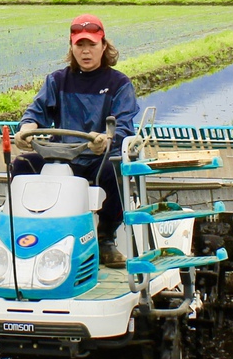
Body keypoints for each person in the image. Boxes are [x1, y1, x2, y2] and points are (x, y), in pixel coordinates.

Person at [13, 14, 139, 267]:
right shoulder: (57, 80)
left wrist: (106, 139)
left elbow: (124, 127)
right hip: (61, 155)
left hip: (97, 156)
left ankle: (105, 238)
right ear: (71, 47)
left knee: (114, 169)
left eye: (91, 45)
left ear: (104, 47)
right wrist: (26, 128)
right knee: (22, 165)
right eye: (79, 45)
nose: (86, 51)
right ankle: (25, 232)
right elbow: (35, 112)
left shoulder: (119, 84)